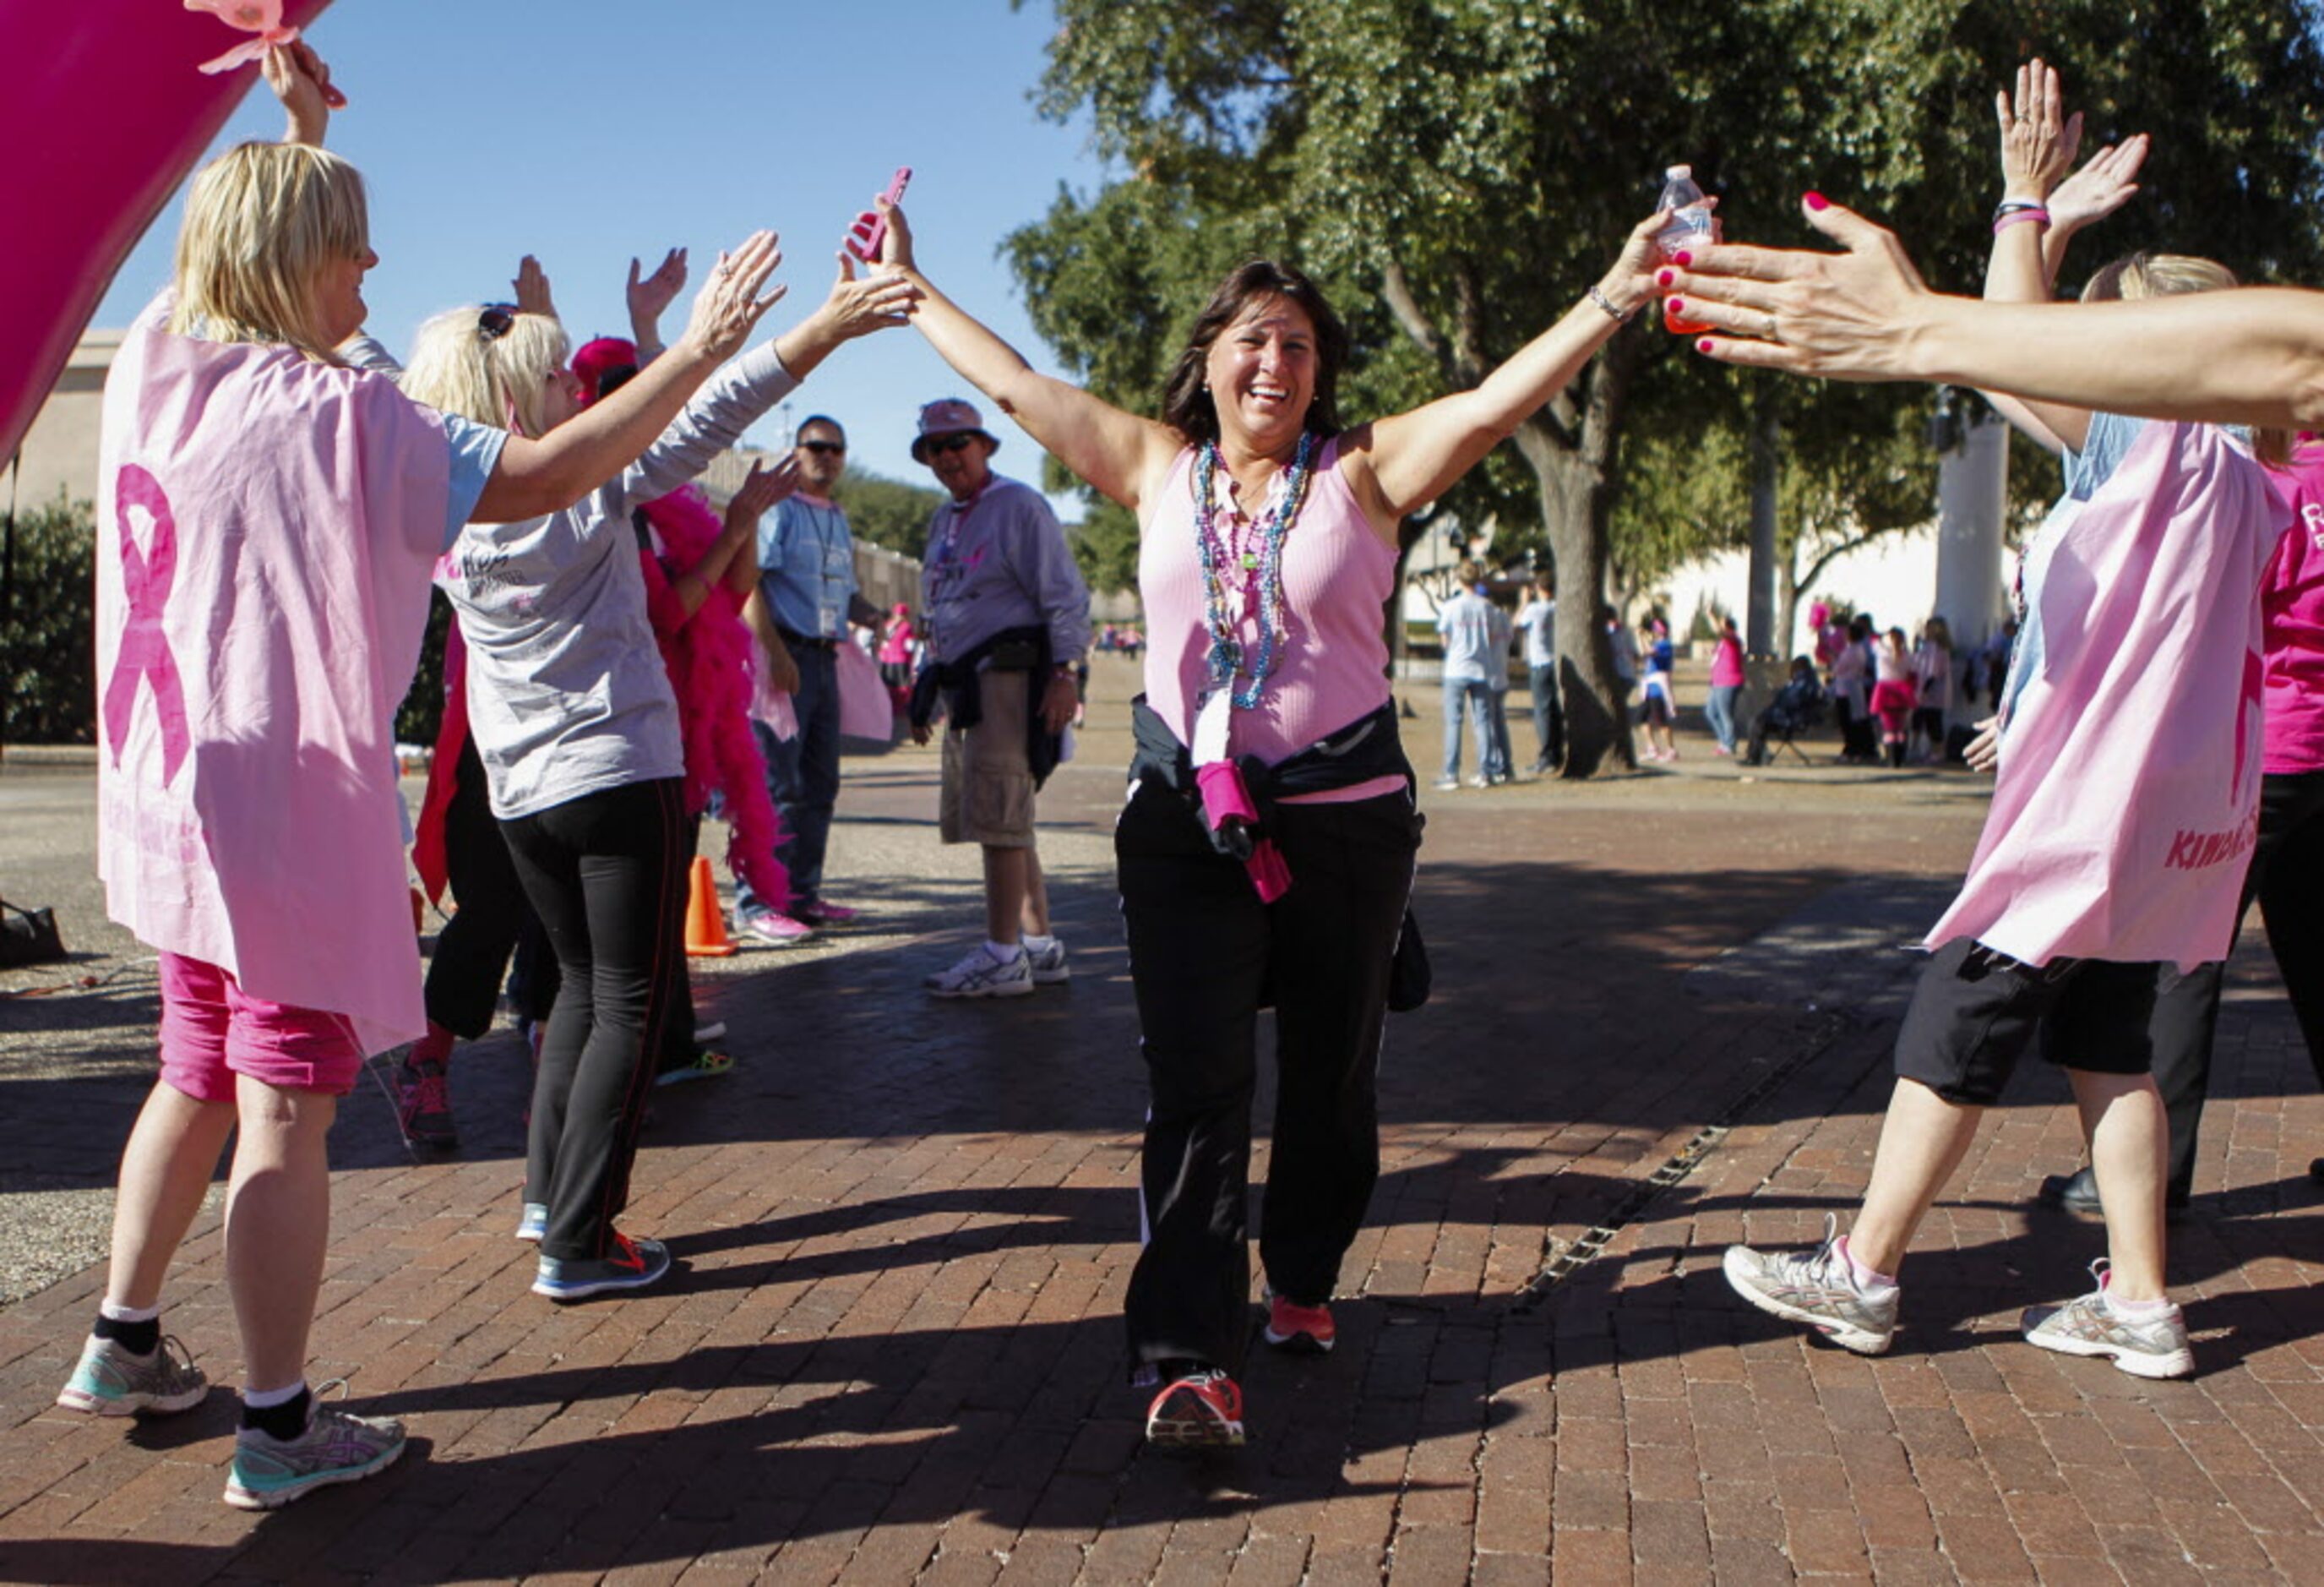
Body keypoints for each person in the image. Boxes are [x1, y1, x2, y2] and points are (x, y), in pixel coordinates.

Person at [61, 43, 785, 1508]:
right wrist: (696, 351)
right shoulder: (344, 416)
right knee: (282, 1106)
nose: (375, 264)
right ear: (289, 262)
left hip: (171, 802)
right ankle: (277, 1425)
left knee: (193, 1070)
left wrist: (301, 128)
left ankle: (122, 1338)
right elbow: (550, 467)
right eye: (350, 244)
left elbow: (218, 259)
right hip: (273, 824)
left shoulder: (155, 361)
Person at [864, 189, 1665, 1445]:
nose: (1273, 361)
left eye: (1296, 342)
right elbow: (1018, 386)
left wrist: (1614, 292)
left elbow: (1494, 403)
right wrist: (912, 291)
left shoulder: (1364, 474)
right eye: (1250, 337)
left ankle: (1299, 1274)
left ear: (1319, 373)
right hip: (1188, 824)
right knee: (1194, 1084)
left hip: (1343, 824)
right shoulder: (1153, 467)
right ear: (1208, 361)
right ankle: (1189, 1355)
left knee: (1330, 1080)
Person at [1715, 61, 2290, 1380]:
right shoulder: (2256, 478)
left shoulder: (2148, 437)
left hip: (2085, 819)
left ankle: (1860, 1274)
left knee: (1954, 1021)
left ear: (2142, 346)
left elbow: (1996, 346)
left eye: (2105, 326)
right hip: (2177, 818)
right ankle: (2140, 1301)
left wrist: (2025, 206)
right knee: (2112, 1053)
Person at [402, 241, 914, 1300]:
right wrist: (809, 329)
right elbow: (704, 417)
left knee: (577, 993)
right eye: (553, 376)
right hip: (615, 774)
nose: (572, 389)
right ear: (509, 391)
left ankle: (553, 1202)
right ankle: (581, 1242)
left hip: (523, 795)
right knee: (628, 1007)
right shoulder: (572, 485)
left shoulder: (444, 510)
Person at [569, 316, 794, 1087]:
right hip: (626, 723)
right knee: (634, 908)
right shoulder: (607, 506)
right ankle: (643, 1049)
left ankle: (670, 1037)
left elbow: (727, 597)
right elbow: (668, 613)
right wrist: (735, 528)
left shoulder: (667, 498)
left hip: (682, 724)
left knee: (664, 895)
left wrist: (746, 524)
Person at [902, 397, 1090, 998]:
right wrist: (929, 688)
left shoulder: (1018, 507)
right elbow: (943, 607)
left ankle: (1001, 954)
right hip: (968, 686)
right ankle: (1037, 943)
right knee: (1004, 819)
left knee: (1001, 817)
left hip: (1009, 679)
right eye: (937, 447)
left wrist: (1065, 673)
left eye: (961, 442)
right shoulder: (943, 518)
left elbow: (1062, 594)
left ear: (984, 446)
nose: (950, 455)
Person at [730, 412, 887, 945]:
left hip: (825, 660)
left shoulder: (839, 518)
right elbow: (747, 580)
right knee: (777, 785)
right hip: (784, 659)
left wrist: (872, 614)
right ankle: (756, 903)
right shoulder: (781, 512)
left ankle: (801, 893)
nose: (827, 456)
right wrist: (773, 652)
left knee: (820, 785)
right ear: (796, 452)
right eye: (816, 446)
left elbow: (844, 594)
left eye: (836, 449)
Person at [1435, 564, 1499, 789]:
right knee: (1482, 722)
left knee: (1454, 721)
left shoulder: (1451, 606)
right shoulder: (1487, 607)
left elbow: (1444, 637)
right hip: (1481, 668)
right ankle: (1485, 772)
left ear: (1459, 581)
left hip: (1456, 668)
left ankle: (1451, 773)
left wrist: (1451, 647)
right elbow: (1491, 637)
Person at [1516, 571, 1562, 772]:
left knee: (1542, 711)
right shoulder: (1557, 607)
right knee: (1555, 710)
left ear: (1539, 589)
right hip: (1555, 662)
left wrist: (1523, 602)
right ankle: (1557, 752)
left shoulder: (1535, 609)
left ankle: (1546, 756)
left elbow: (1517, 622)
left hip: (1539, 663)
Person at [1743, 657, 1823, 765]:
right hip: (1792, 716)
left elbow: (1792, 701)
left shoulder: (1802, 683)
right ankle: (1755, 754)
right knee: (1758, 721)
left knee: (1758, 722)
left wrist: (1777, 702)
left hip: (1791, 718)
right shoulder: (1807, 681)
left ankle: (1754, 756)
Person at [1869, 625, 1917, 769]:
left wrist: (1880, 635)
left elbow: (1873, 641)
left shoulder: (1882, 653)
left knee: (1888, 727)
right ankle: (1900, 756)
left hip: (1885, 689)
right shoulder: (1907, 656)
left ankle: (1890, 757)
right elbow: (1912, 672)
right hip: (1902, 690)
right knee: (1901, 726)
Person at [1912, 616, 1953, 762]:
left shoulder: (1939, 648)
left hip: (1933, 689)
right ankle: (1919, 748)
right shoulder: (1925, 645)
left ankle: (1938, 751)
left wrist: (1924, 689)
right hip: (1922, 688)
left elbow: (1934, 671)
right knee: (1919, 720)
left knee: (1934, 722)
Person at [1636, 619, 1677, 762]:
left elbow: (1650, 652)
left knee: (1661, 721)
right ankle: (1651, 748)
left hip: (1658, 688)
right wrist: (1641, 637)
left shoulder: (1665, 645)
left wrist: (1643, 638)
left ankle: (1671, 750)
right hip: (1648, 687)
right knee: (1642, 719)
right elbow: (1643, 652)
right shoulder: (1656, 644)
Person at [1705, 614, 1745, 755]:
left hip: (1728, 682)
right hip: (1717, 682)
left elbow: (1722, 633)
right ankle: (1724, 740)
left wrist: (1711, 616)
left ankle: (1729, 744)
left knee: (1725, 714)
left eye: (1723, 625)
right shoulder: (1723, 642)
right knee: (1711, 712)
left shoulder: (1733, 639)